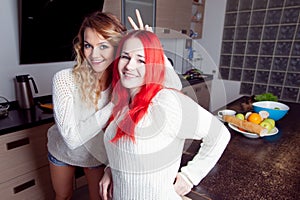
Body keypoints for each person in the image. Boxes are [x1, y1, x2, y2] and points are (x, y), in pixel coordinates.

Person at [47, 11, 182, 200]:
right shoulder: (64, 79)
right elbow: (72, 139)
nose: (94, 54)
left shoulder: (126, 78)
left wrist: (153, 51)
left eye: (103, 46)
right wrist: (113, 104)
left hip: (96, 154)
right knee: (63, 196)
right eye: (88, 45)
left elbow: (175, 87)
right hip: (61, 150)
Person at [99, 30, 231, 200]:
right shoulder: (121, 102)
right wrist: (111, 169)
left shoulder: (166, 102)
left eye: (141, 60)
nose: (129, 66)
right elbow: (125, 149)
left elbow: (219, 134)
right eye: (125, 57)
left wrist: (190, 176)